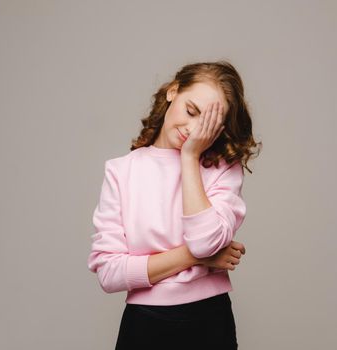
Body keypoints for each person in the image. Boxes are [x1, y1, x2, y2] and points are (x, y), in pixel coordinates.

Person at [87, 60, 262, 349]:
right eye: (191, 111)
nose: (193, 130)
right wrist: (196, 258)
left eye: (207, 124)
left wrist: (190, 157)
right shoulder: (121, 171)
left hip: (209, 321)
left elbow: (205, 242)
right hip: (143, 326)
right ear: (173, 91)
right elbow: (108, 273)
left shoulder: (222, 169)